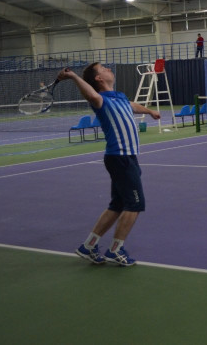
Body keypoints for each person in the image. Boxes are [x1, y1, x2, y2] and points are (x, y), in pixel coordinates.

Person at [58, 63, 160, 267]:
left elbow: (132, 105)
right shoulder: (100, 99)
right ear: (98, 78)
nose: (109, 69)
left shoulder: (119, 97)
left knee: (118, 205)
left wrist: (149, 111)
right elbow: (90, 95)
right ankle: (115, 250)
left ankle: (88, 246)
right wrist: (74, 77)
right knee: (135, 204)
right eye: (104, 68)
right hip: (120, 158)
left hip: (127, 158)